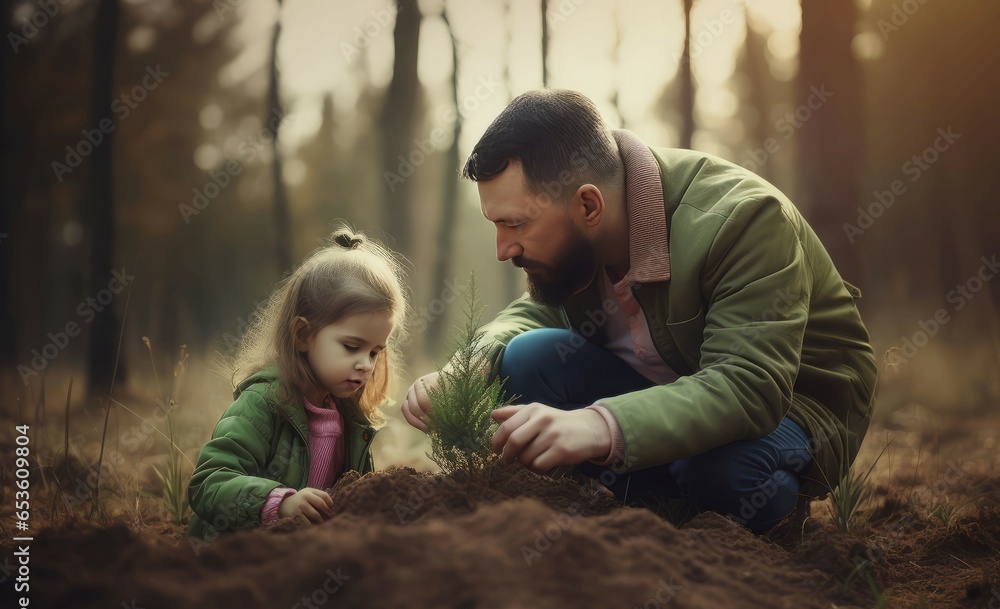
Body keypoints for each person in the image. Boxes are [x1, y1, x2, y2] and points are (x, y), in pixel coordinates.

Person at [402, 89, 878, 536]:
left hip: (793, 407)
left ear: (588, 204)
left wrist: (597, 425)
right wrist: (467, 366)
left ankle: (708, 500)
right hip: (664, 390)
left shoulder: (745, 220)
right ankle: (659, 498)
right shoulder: (584, 238)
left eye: (516, 223)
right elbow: (534, 312)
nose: (504, 249)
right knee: (523, 357)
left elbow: (749, 385)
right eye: (496, 224)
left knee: (721, 471)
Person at [186, 229, 409, 545]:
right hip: (229, 557)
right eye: (351, 346)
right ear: (303, 335)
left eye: (374, 352)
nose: (366, 364)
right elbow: (209, 483)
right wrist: (279, 502)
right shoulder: (262, 403)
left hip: (295, 560)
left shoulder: (351, 419)